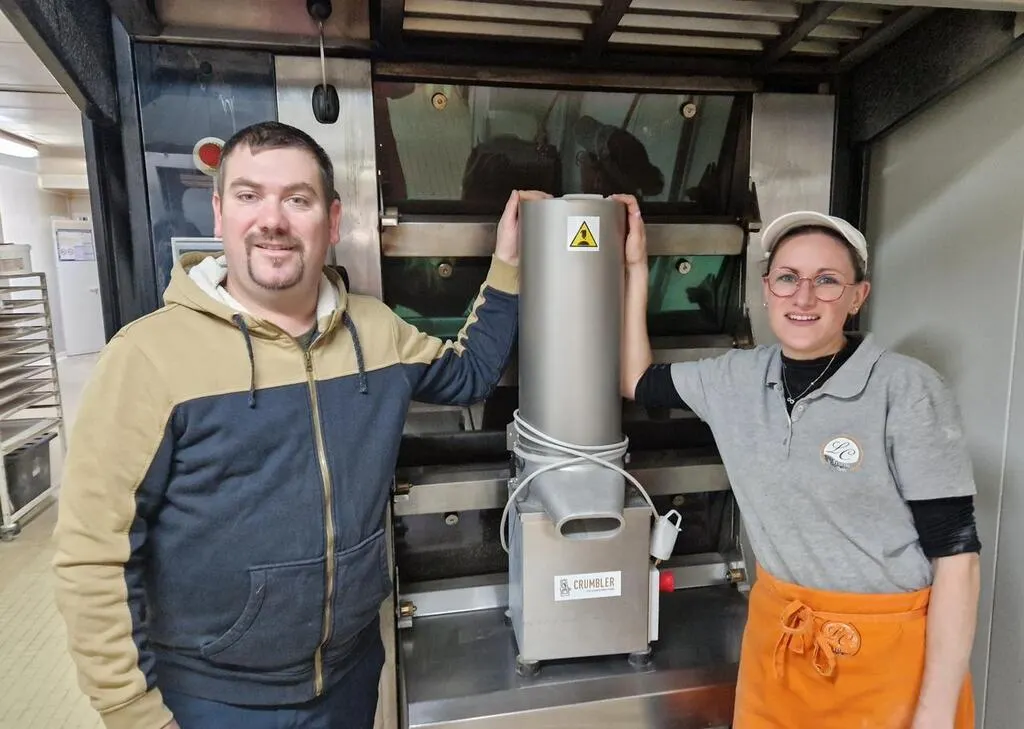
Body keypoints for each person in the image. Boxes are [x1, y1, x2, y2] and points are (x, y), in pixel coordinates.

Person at [51, 120, 545, 729]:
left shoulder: (378, 331)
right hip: (213, 701)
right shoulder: (147, 358)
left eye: (298, 199)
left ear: (332, 222)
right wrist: (133, 712)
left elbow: (467, 374)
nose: (273, 220)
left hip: (350, 678)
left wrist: (509, 264)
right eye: (249, 195)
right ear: (219, 213)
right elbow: (92, 554)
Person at [620, 203, 981, 728]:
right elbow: (637, 380)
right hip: (779, 650)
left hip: (886, 661)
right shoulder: (736, 380)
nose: (804, 296)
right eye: (788, 278)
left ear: (858, 296)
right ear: (766, 289)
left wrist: (934, 713)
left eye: (828, 280)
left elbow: (957, 559)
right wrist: (635, 267)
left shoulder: (906, 388)